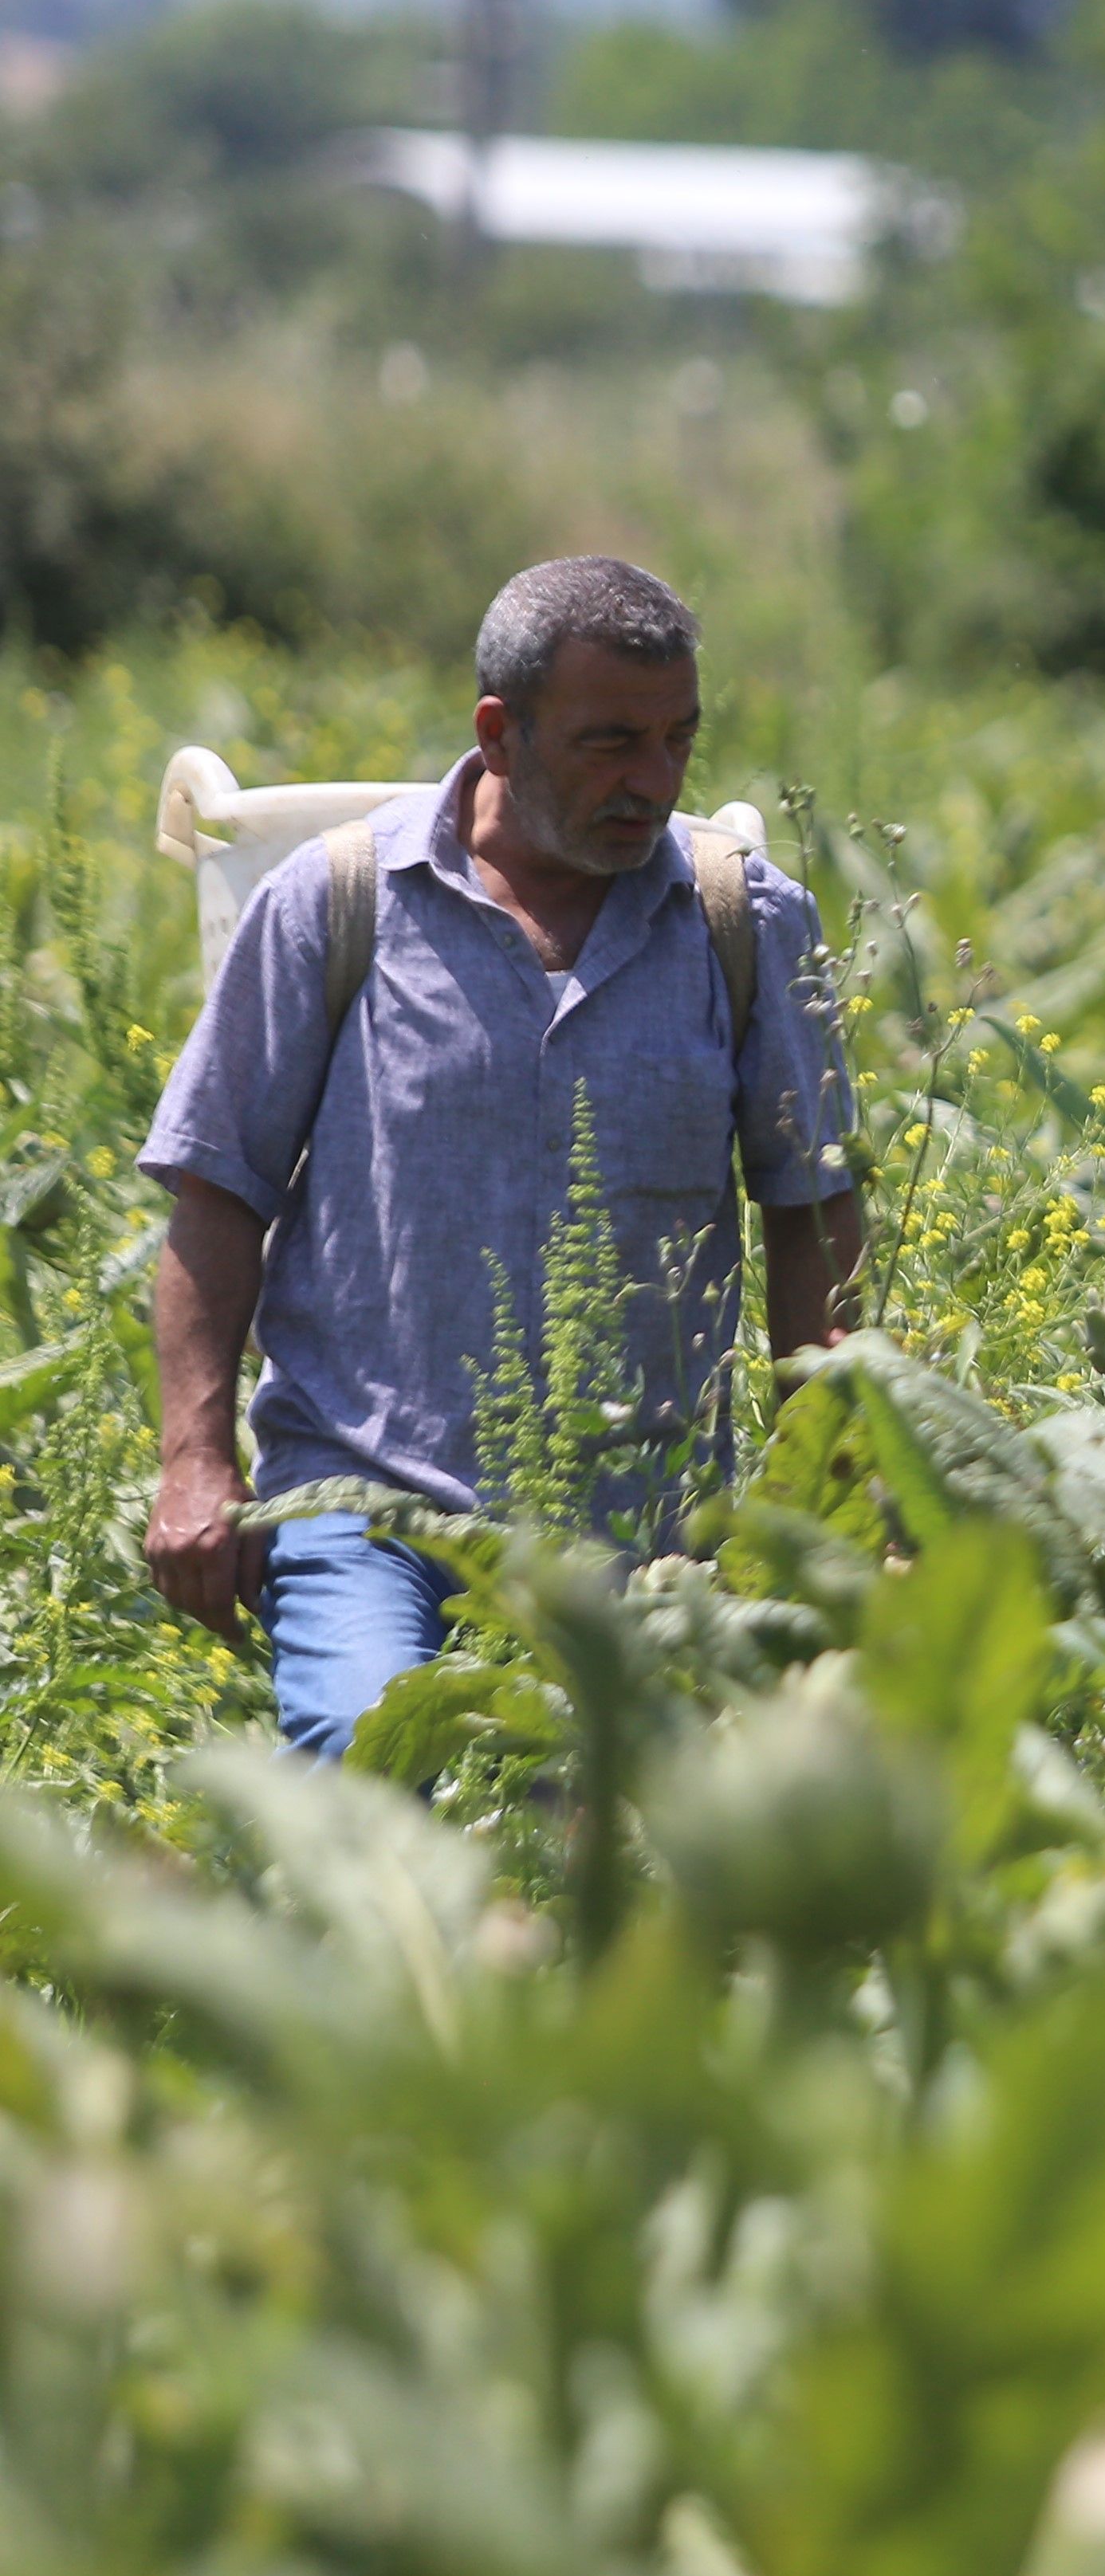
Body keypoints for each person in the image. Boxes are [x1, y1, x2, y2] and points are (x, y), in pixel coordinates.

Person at [139, 557, 864, 1758]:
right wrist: (196, 1461)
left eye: (679, 739)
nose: (654, 780)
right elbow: (218, 1198)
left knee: (624, 1851)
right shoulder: (337, 902)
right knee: (369, 1763)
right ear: (501, 733)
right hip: (364, 1502)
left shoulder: (746, 923)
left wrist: (826, 1477)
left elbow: (810, 1215)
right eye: (611, 743)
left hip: (646, 1529)